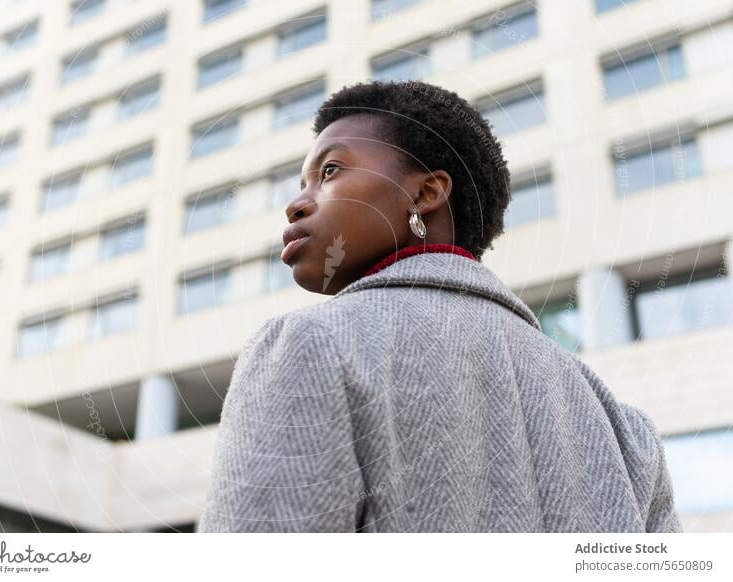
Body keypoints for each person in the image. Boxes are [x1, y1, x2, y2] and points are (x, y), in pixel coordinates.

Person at [196, 80, 683, 532]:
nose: (297, 204)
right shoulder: (622, 431)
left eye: (329, 171)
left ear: (427, 192)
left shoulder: (307, 348)